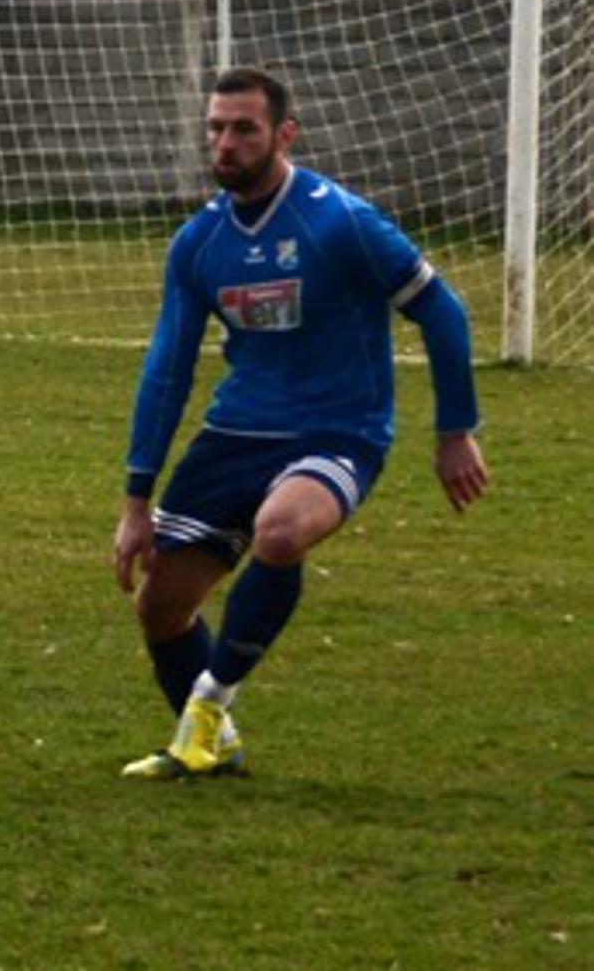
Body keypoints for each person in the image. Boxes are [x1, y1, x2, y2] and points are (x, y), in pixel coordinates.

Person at [113, 66, 489, 779]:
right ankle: (212, 754)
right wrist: (136, 501)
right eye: (216, 128)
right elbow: (166, 369)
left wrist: (453, 432)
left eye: (243, 129)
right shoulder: (197, 243)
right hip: (237, 432)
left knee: (279, 532)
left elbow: (443, 312)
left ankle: (206, 706)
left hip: (337, 430)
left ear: (283, 134)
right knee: (160, 606)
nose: (225, 143)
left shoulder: (338, 221)